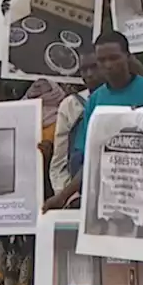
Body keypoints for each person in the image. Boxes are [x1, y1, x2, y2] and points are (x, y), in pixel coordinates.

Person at [44, 30, 143, 285]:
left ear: (128, 57)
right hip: (108, 199)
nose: (108, 65)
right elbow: (92, 156)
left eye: (114, 58)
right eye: (101, 60)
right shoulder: (96, 99)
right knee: (113, 279)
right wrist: (63, 196)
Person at [51, 47, 103, 193]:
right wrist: (65, 194)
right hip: (79, 191)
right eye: (83, 70)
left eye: (94, 67)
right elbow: (60, 157)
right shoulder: (70, 105)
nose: (89, 74)